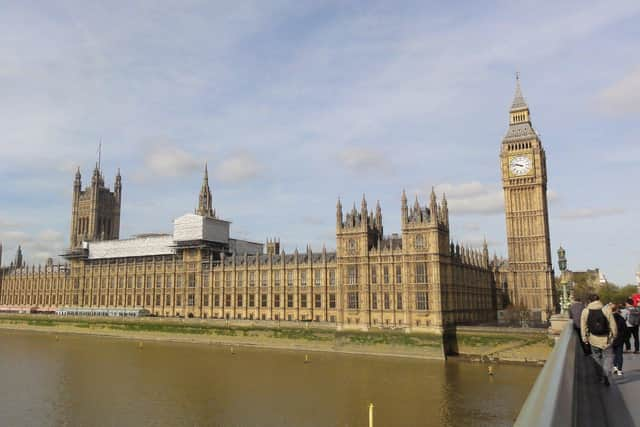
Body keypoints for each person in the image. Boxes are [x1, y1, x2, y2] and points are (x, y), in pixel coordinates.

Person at [581, 294, 617, 386]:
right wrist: (614, 335)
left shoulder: (585, 311)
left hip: (593, 339)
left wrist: (584, 338)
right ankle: (606, 375)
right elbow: (613, 324)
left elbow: (583, 326)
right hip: (606, 339)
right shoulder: (606, 309)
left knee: (597, 358)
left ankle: (600, 376)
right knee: (608, 358)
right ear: (599, 300)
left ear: (589, 301)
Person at [611, 304, 627, 376]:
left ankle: (614, 367)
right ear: (616, 310)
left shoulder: (609, 318)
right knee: (619, 354)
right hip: (620, 338)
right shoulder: (621, 318)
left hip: (612, 338)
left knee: (613, 354)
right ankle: (619, 370)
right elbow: (625, 330)